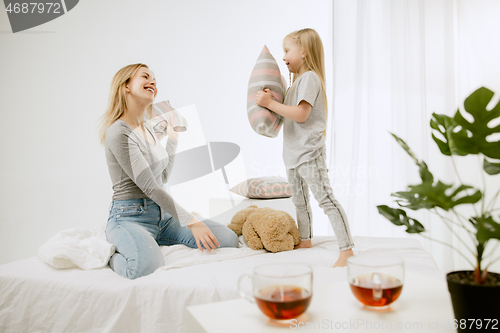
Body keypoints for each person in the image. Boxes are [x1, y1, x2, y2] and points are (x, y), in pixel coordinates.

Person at [97, 63, 239, 279]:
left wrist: (172, 140)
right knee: (144, 268)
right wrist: (192, 220)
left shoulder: (147, 130)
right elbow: (148, 186)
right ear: (125, 86)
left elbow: (161, 178)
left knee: (227, 240)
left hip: (163, 218)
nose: (153, 82)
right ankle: (108, 256)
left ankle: (153, 240)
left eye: (154, 79)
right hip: (129, 217)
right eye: (145, 76)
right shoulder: (118, 132)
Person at [255, 28, 354, 267]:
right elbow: (289, 113)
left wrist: (270, 103)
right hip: (292, 154)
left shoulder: (309, 78)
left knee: (325, 199)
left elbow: (300, 114)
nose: (284, 56)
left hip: (308, 153)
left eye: (287, 50)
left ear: (305, 51)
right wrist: (273, 102)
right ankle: (306, 239)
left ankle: (347, 249)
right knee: (300, 202)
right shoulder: (295, 84)